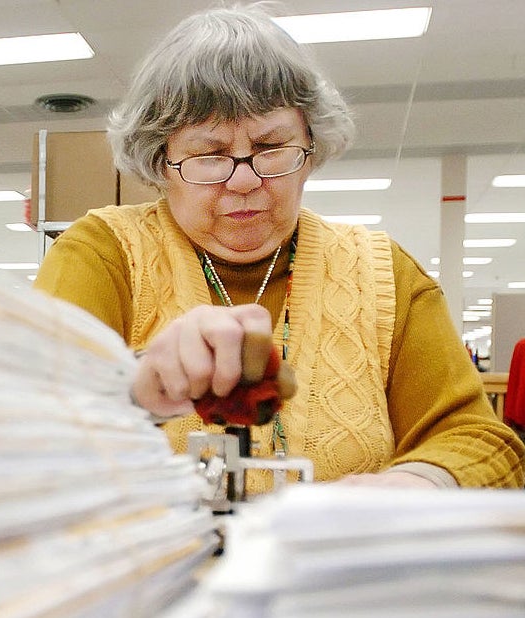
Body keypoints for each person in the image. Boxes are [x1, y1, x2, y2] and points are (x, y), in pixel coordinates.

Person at [34, 2, 524, 492]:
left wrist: (418, 483)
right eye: (210, 154)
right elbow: (19, 431)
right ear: (160, 162)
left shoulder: (383, 273)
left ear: (312, 148)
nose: (245, 180)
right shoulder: (102, 254)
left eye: (271, 148)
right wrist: (136, 388)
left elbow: (480, 440)